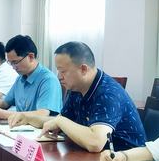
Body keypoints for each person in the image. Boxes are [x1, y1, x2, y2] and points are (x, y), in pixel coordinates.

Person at [12, 41, 145, 152]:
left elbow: (95, 142)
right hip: (97, 159)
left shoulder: (108, 93)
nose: (59, 76)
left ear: (83, 69)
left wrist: (60, 121)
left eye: (63, 71)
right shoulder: (76, 88)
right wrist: (28, 118)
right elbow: (58, 121)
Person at [0, 35, 62, 123]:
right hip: (19, 127)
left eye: (15, 62)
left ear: (30, 57)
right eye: (10, 63)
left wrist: (5, 114)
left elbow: (42, 114)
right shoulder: (20, 78)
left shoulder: (48, 80)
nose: (13, 67)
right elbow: (5, 103)